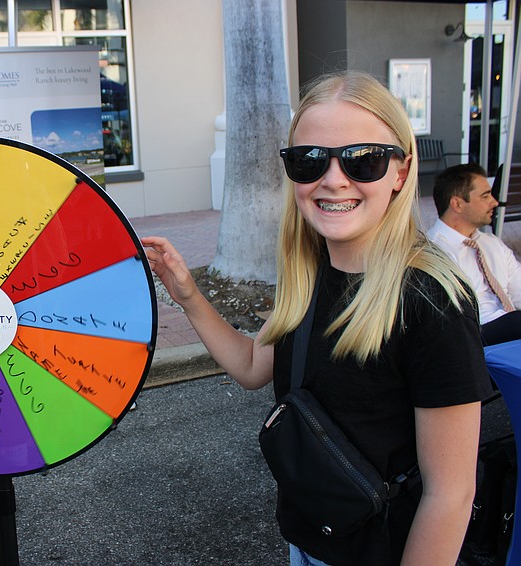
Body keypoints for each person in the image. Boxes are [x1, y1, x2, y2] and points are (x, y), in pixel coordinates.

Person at [142, 72, 492, 566]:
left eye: (363, 159)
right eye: (309, 160)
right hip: (309, 538)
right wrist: (189, 295)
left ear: (400, 170)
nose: (333, 179)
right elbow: (250, 366)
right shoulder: (309, 273)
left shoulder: (431, 301)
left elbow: (450, 494)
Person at [427, 163, 521, 345]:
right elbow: (448, 322)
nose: (494, 202)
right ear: (457, 204)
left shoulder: (491, 243)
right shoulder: (433, 252)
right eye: (485, 196)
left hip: (512, 329)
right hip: (474, 338)